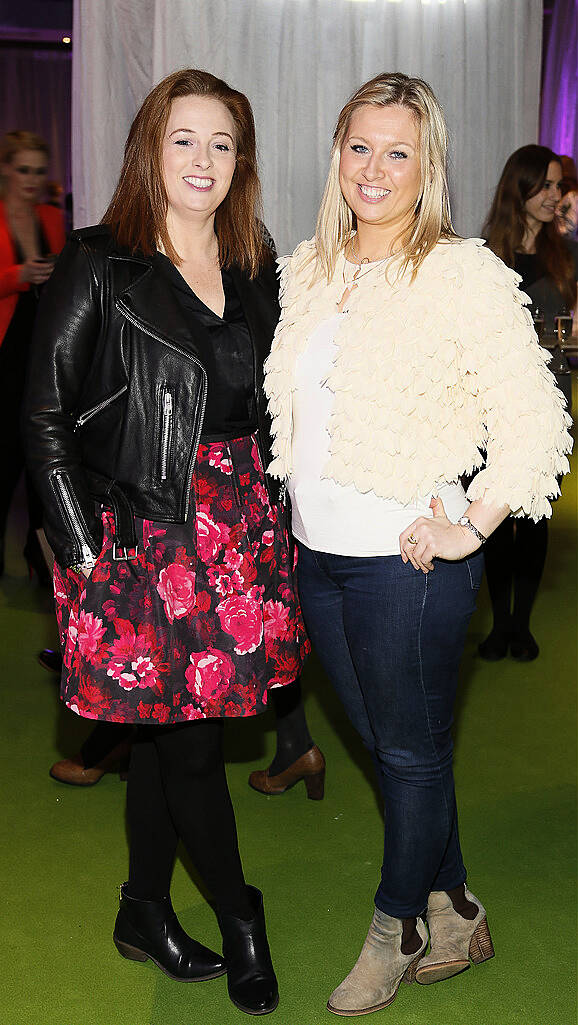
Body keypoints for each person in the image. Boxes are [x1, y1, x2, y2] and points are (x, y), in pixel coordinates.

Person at [263, 73, 572, 1016]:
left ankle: (397, 919)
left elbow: (536, 419)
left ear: (428, 164)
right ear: (336, 153)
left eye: (399, 151)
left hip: (411, 565)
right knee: (403, 748)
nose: (375, 168)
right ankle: (461, 903)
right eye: (360, 146)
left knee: (406, 754)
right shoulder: (311, 264)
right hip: (320, 555)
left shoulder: (461, 270)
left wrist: (469, 522)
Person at [24, 68, 310, 1016]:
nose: (203, 159)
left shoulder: (256, 260)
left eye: (223, 143)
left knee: (162, 739)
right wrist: (82, 552)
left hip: (239, 531)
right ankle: (241, 913)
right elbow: (45, 414)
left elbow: (281, 399)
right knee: (188, 748)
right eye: (184, 138)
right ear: (151, 148)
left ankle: (142, 906)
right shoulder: (101, 261)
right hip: (142, 536)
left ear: (242, 163)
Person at [479, 145, 577, 661]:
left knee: (535, 517)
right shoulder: (484, 256)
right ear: (519, 187)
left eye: (558, 186)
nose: (554, 196)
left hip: (550, 402)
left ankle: (522, 622)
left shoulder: (567, 254)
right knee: (495, 517)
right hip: (493, 404)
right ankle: (498, 622)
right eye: (544, 185)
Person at [0, 131, 65, 580]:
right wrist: (17, 273)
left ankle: (38, 554)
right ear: (5, 168)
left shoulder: (52, 217)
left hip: (43, 351)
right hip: (4, 353)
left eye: (38, 171)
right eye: (22, 169)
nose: (31, 179)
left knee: (46, 457)